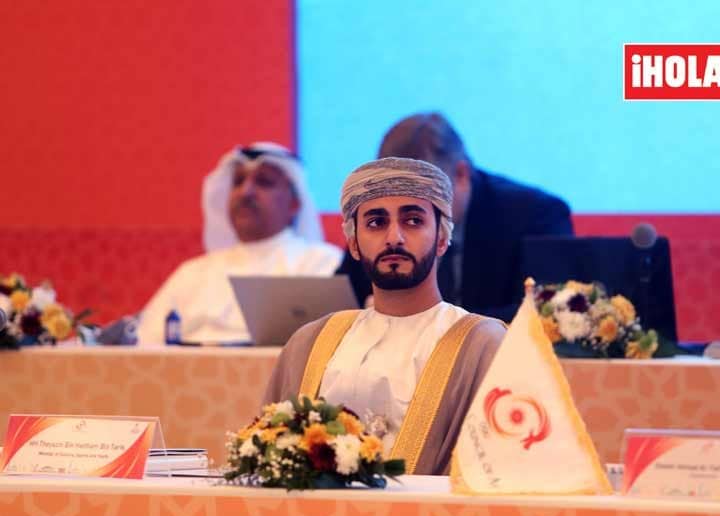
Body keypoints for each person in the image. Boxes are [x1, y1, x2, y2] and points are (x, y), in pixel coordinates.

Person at [263, 157, 506, 475]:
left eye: (413, 221)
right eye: (376, 223)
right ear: (353, 243)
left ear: (442, 239)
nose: (394, 237)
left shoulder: (482, 344)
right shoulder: (311, 342)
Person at [338, 113, 574, 321]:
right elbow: (342, 299)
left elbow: (546, 313)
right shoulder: (379, 219)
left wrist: (428, 324)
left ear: (460, 175)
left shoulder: (535, 215)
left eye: (421, 192)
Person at [137, 143, 342, 345]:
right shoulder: (192, 273)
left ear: (294, 204)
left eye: (264, 182)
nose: (246, 192)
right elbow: (143, 344)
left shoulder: (323, 264)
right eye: (238, 182)